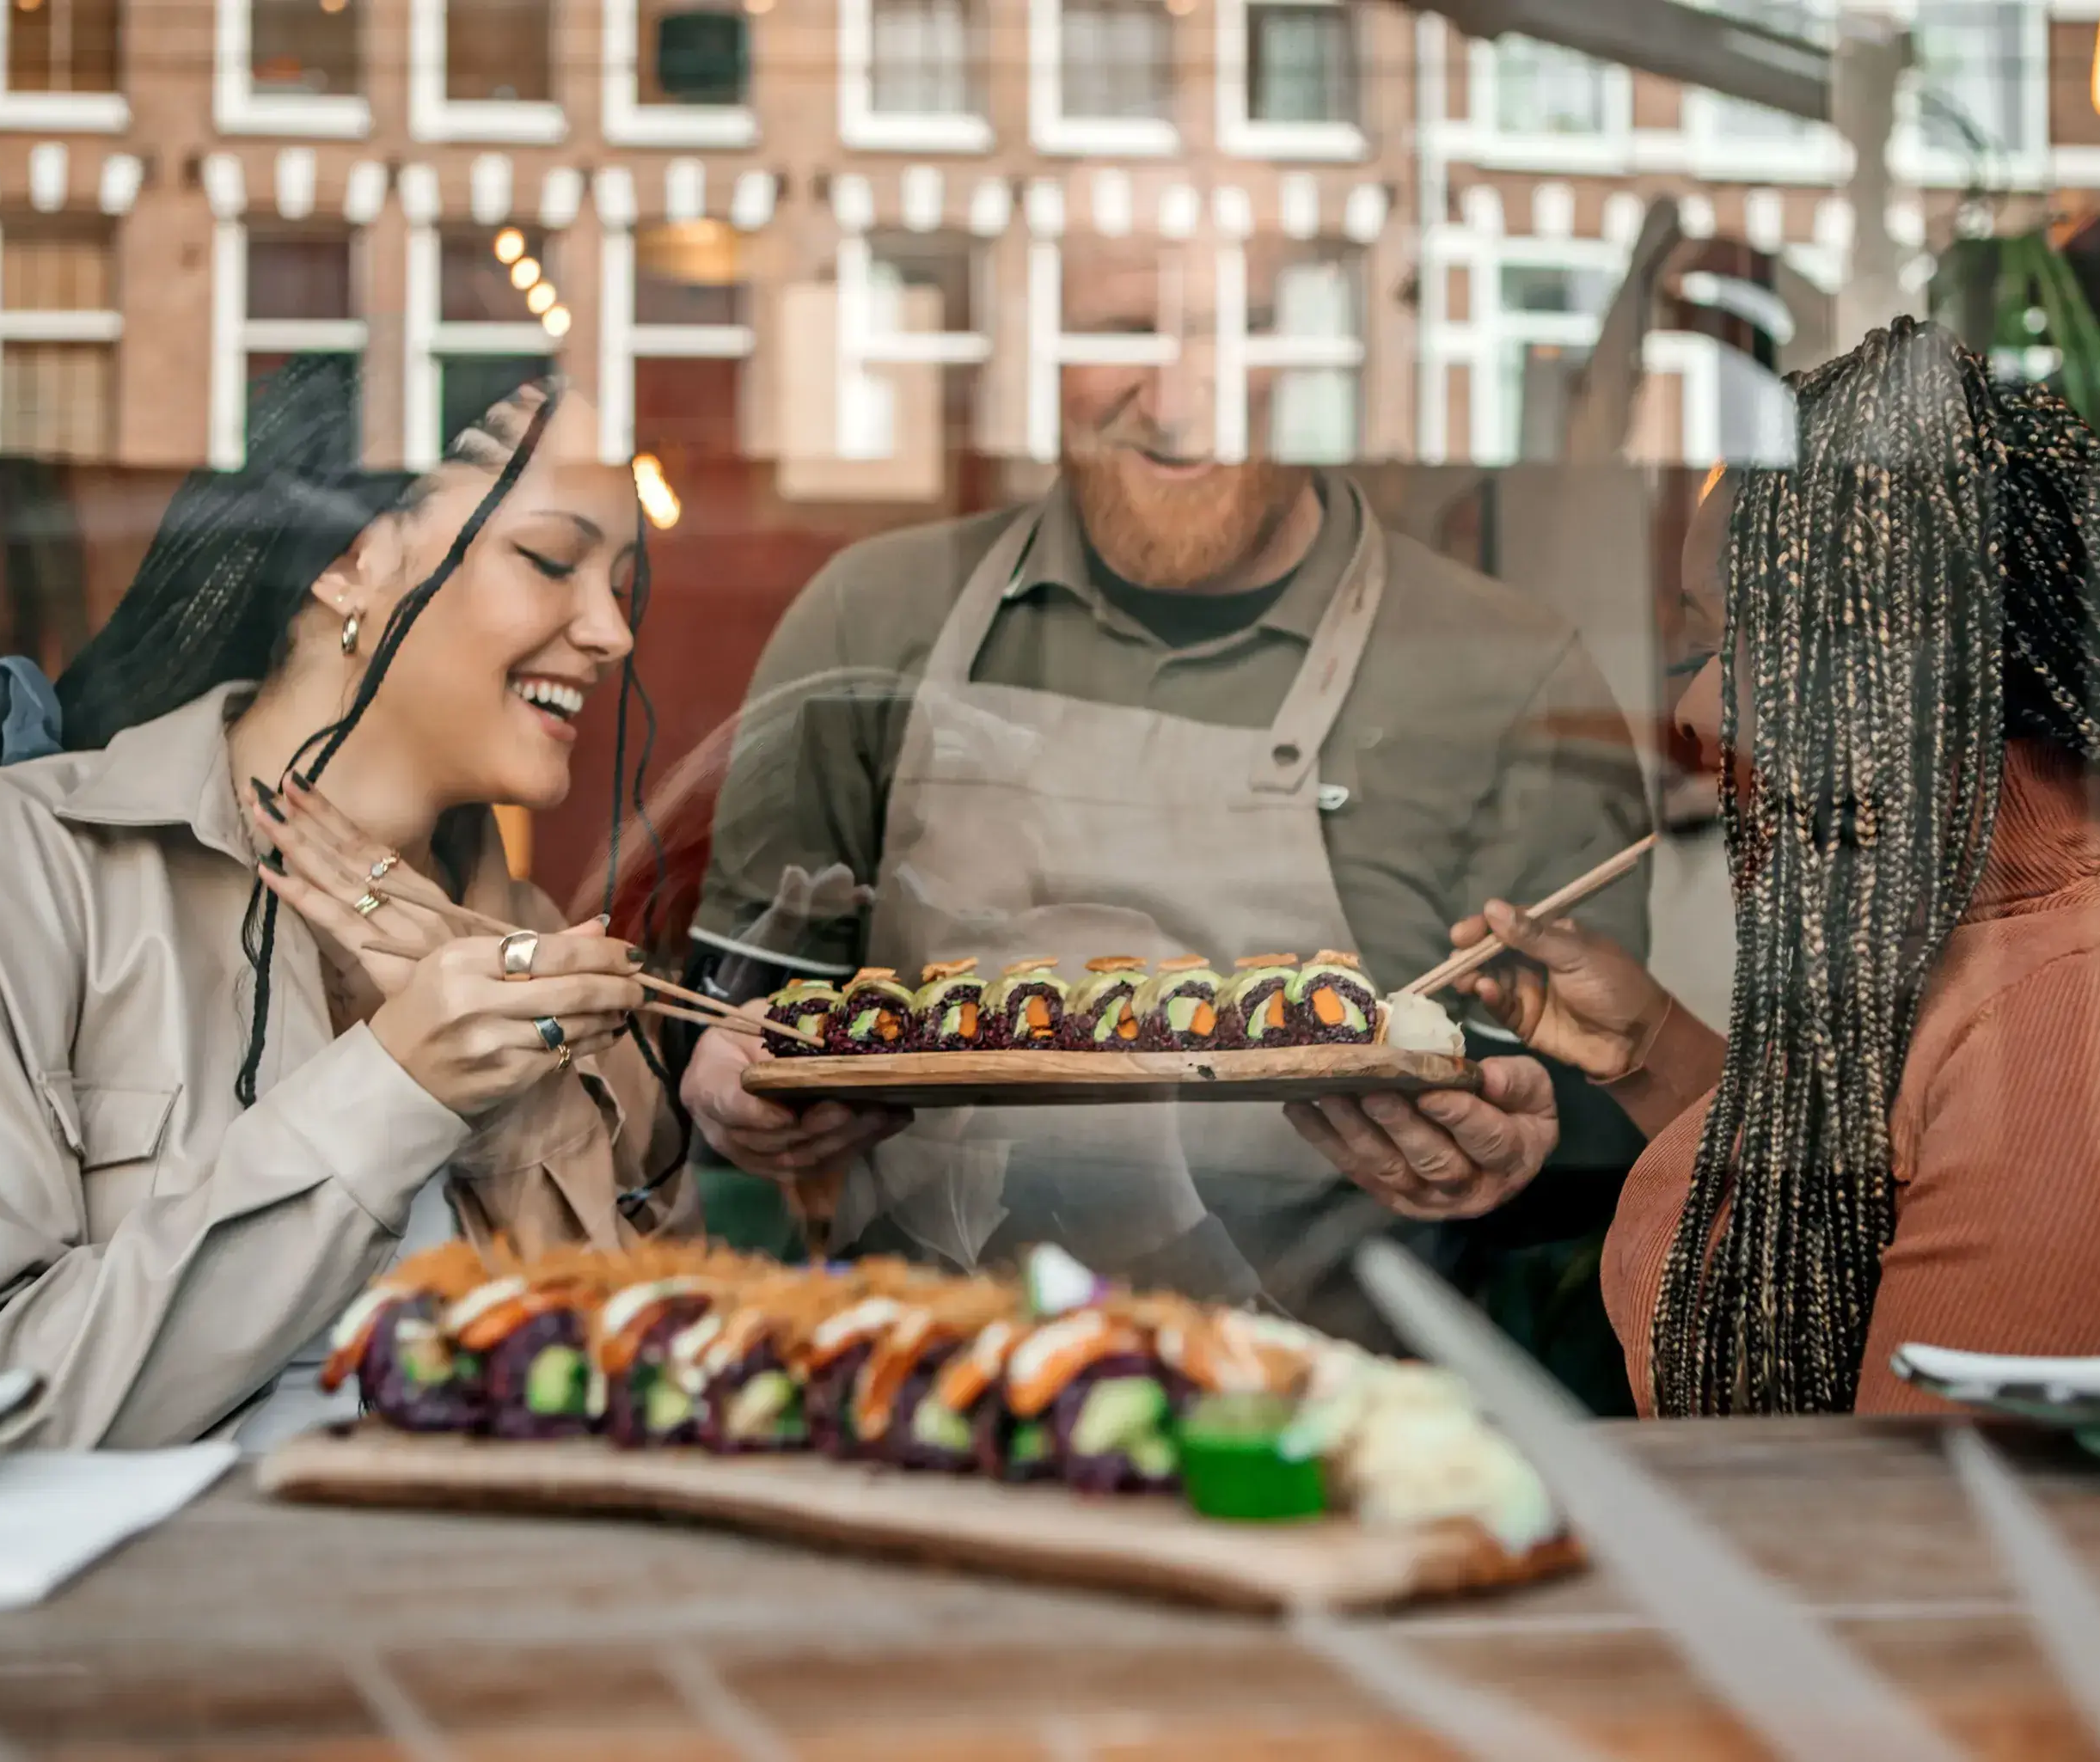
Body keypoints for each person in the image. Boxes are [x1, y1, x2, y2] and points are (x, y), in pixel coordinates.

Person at [1295, 319, 2100, 1413]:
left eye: (1718, 646)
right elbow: (1897, 1203)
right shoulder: (2014, 940)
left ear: (1877, 664)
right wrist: (1650, 1053)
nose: (1688, 713)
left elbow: (1924, 1525)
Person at [677, 240, 1651, 1341]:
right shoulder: (869, 616)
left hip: (1326, 1422)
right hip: (924, 1387)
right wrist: (727, 1087)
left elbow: (1607, 1128)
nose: (1180, 398)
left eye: (1237, 330)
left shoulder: (1505, 669)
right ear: (1035, 354)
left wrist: (1519, 1146)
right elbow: (728, 1017)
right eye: (1121, 330)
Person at [0, 361, 693, 1448]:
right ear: (349, 558)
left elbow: (663, 1414)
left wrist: (519, 1103)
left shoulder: (548, 966)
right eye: (552, 559)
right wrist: (395, 1089)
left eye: (622, 583)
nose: (612, 633)